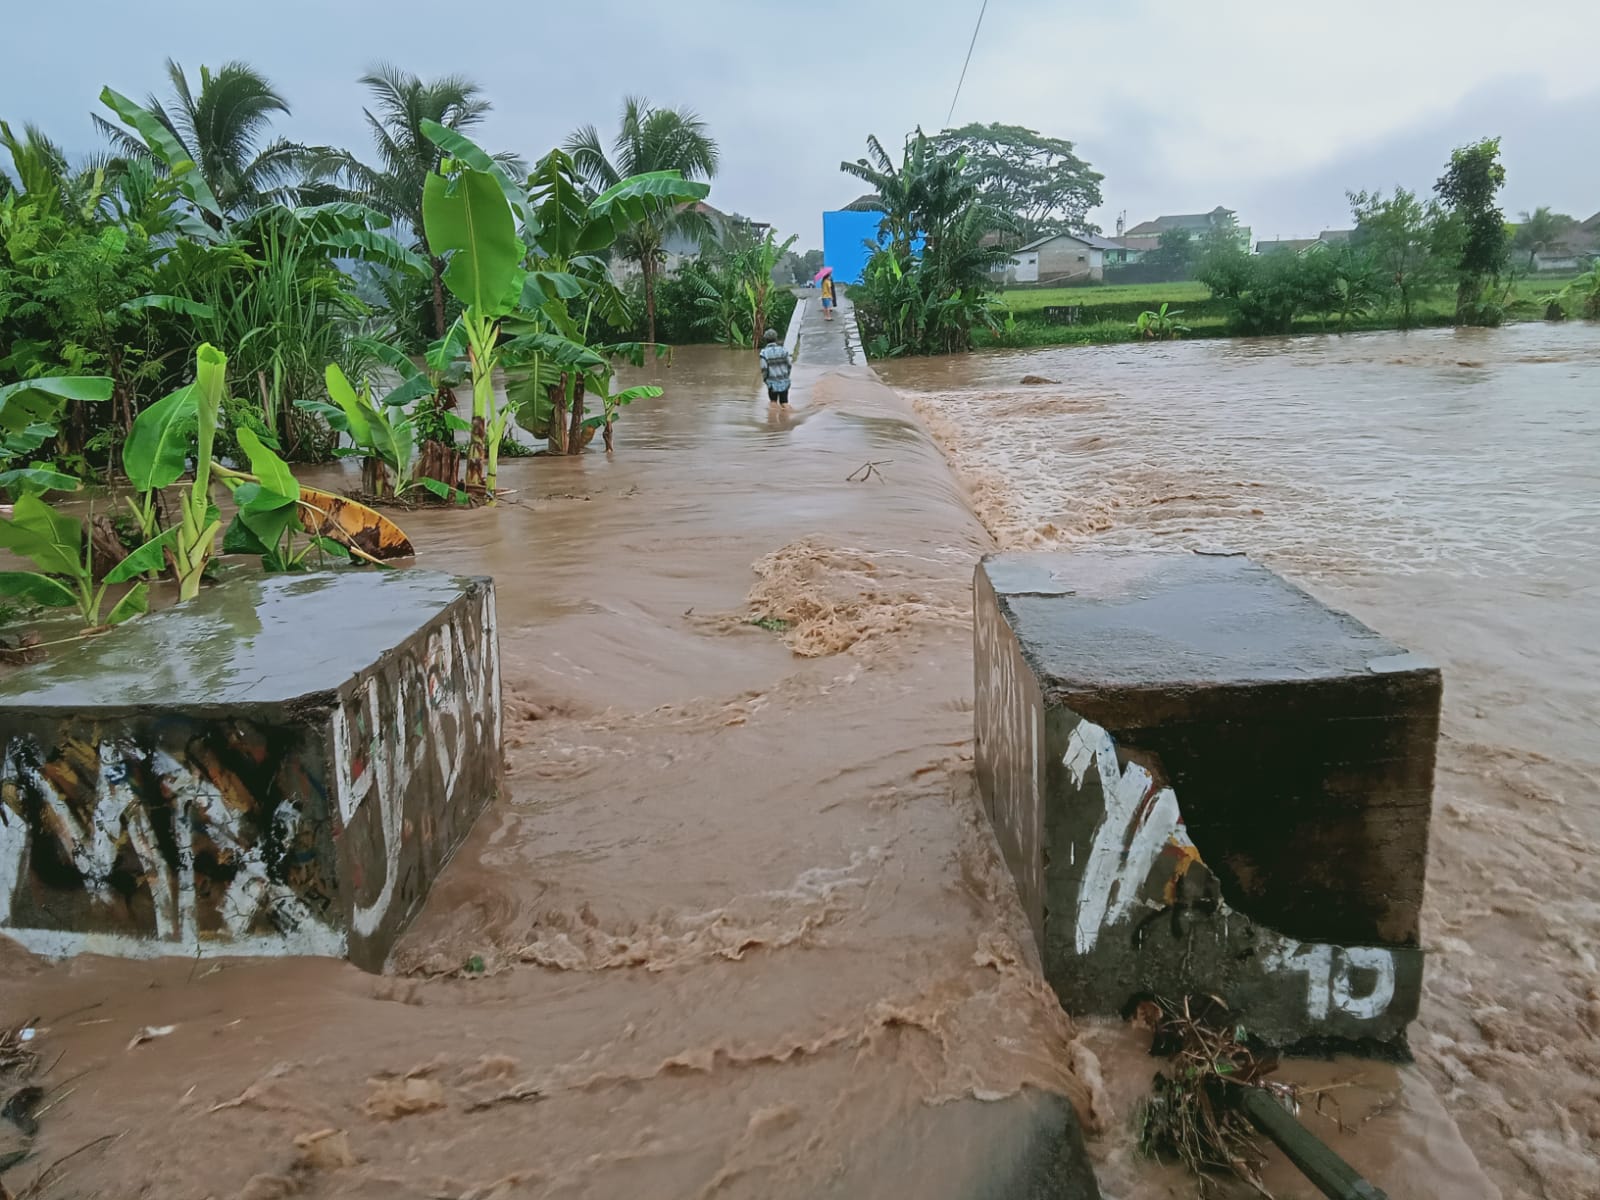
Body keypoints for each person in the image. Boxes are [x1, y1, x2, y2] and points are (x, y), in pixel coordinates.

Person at [759, 328, 792, 405]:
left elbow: (764, 368)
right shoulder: (783, 350)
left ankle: (772, 417)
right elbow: (789, 365)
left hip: (772, 383)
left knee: (773, 403)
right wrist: (786, 376)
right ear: (776, 338)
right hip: (784, 381)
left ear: (766, 339)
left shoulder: (764, 353)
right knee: (784, 403)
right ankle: (786, 416)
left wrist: (765, 380)